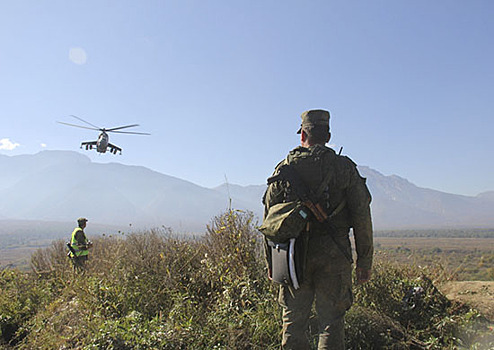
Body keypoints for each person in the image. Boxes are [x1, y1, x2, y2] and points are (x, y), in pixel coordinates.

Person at [262, 109, 374, 350]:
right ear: (328, 135)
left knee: (293, 321)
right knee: (331, 322)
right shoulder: (344, 168)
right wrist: (364, 261)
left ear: (303, 134)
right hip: (334, 255)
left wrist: (272, 263)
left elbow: (269, 222)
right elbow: (362, 216)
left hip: (293, 256)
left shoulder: (284, 168)